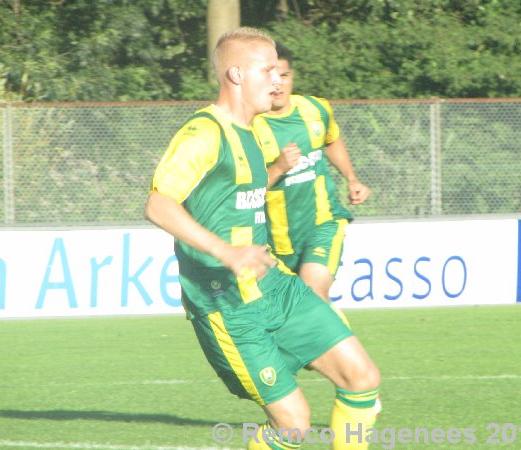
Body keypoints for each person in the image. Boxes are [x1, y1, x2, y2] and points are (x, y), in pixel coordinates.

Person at [145, 27, 380, 449]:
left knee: (362, 378)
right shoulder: (203, 132)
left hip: (275, 286)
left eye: (279, 70)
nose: (278, 79)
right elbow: (159, 205)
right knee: (294, 425)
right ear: (236, 74)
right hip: (227, 304)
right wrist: (226, 252)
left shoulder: (253, 132)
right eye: (267, 69)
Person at [253, 42, 371, 303]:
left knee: (313, 293)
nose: (279, 84)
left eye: (284, 76)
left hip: (323, 222)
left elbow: (331, 140)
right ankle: (334, 343)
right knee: (288, 311)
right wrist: (278, 168)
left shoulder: (315, 109)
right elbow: (246, 192)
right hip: (277, 238)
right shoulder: (250, 127)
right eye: (271, 77)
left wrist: (351, 178)